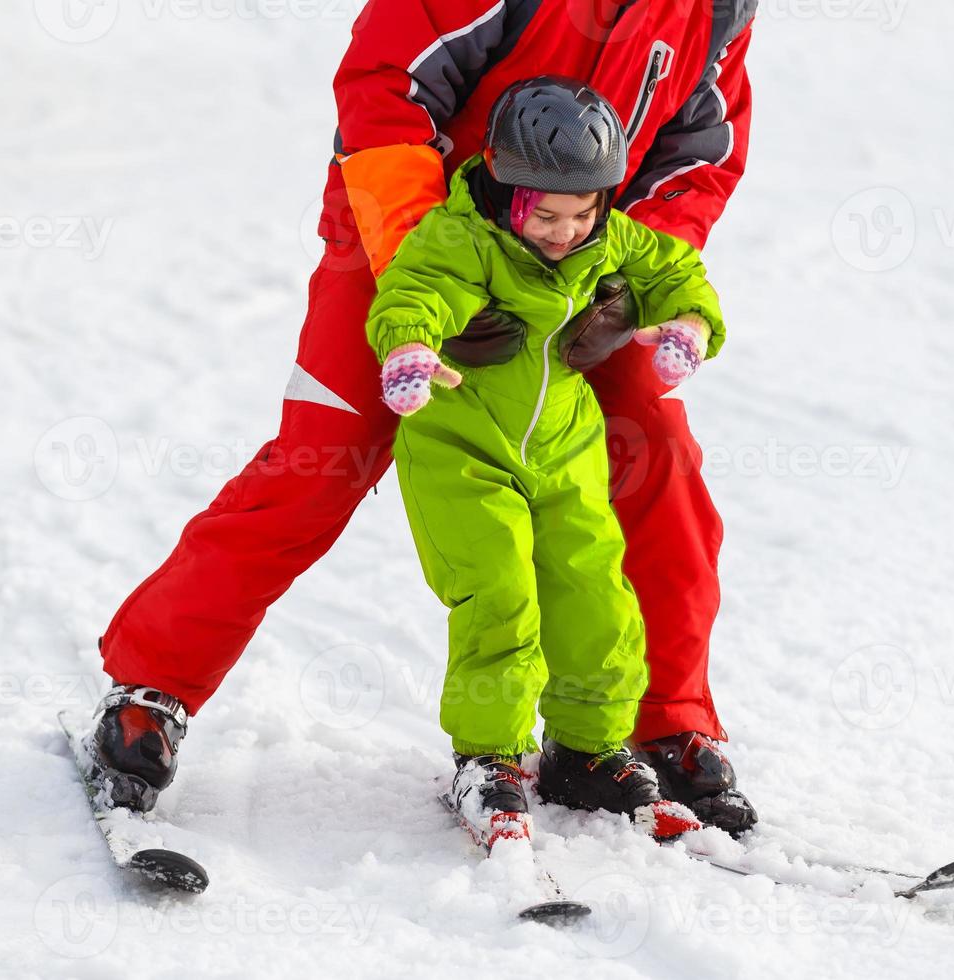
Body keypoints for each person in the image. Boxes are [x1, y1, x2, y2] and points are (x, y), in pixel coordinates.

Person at [88, 0, 760, 834]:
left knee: (655, 454)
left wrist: (618, 280)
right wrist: (434, 276)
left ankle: (661, 721)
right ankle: (153, 684)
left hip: (575, 265)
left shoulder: (719, 10)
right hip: (404, 244)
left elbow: (698, 158)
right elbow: (385, 87)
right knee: (319, 463)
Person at [371, 76, 721, 844]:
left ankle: (588, 752)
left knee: (595, 595)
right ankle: (488, 757)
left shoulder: (608, 236)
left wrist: (689, 324)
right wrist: (408, 348)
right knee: (500, 591)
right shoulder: (457, 240)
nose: (566, 233)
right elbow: (415, 290)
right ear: (503, 181)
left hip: (565, 450)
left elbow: (674, 270)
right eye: (548, 215)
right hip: (462, 451)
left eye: (581, 212)